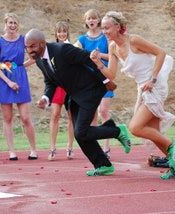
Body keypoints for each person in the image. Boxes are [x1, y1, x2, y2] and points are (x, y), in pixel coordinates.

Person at [90, 11, 175, 179]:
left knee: (135, 127)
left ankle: (172, 145)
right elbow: (111, 75)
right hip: (142, 89)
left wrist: (153, 78)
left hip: (154, 86)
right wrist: (98, 63)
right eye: (102, 28)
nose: (104, 31)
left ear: (118, 26)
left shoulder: (133, 40)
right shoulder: (113, 47)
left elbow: (161, 53)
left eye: (107, 28)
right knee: (154, 133)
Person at [24, 28, 131, 176]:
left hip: (90, 89)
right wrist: (45, 98)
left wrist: (106, 80)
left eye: (33, 46)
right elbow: (50, 82)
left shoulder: (62, 50)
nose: (29, 50)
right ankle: (103, 165)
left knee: (81, 132)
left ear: (42, 44)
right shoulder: (39, 61)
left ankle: (117, 131)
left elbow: (88, 58)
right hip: (74, 95)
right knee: (79, 133)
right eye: (27, 47)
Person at [0, 13, 38, 161]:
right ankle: (12, 151)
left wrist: (19, 67)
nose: (12, 25)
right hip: (4, 80)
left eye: (15, 23)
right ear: (5, 24)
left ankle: (33, 150)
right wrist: (8, 81)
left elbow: (34, 57)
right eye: (10, 23)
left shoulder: (24, 40)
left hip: (20, 78)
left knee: (25, 117)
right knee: (7, 117)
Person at [74, 9, 113, 159]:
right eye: (89, 18)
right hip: (88, 81)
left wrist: (98, 55)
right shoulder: (82, 39)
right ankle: (97, 150)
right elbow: (72, 49)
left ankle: (107, 148)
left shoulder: (106, 38)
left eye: (94, 18)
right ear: (86, 21)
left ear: (98, 20)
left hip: (104, 78)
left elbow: (111, 57)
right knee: (92, 116)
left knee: (104, 111)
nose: (91, 21)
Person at [47, 21, 75, 161]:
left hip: (70, 86)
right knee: (55, 115)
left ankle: (70, 148)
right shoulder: (51, 48)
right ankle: (52, 148)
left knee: (71, 117)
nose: (62, 34)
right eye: (59, 31)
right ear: (56, 33)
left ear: (67, 33)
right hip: (58, 86)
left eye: (64, 31)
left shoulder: (72, 47)